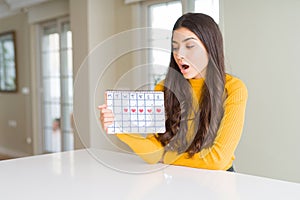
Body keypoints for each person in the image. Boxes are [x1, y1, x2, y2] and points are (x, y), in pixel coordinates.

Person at [98, 13, 248, 172]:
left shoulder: (233, 89)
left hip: (219, 182)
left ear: (210, 47)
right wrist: (119, 128)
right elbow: (153, 153)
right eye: (175, 47)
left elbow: (217, 160)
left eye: (189, 46)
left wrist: (165, 157)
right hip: (177, 177)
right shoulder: (164, 88)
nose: (179, 55)